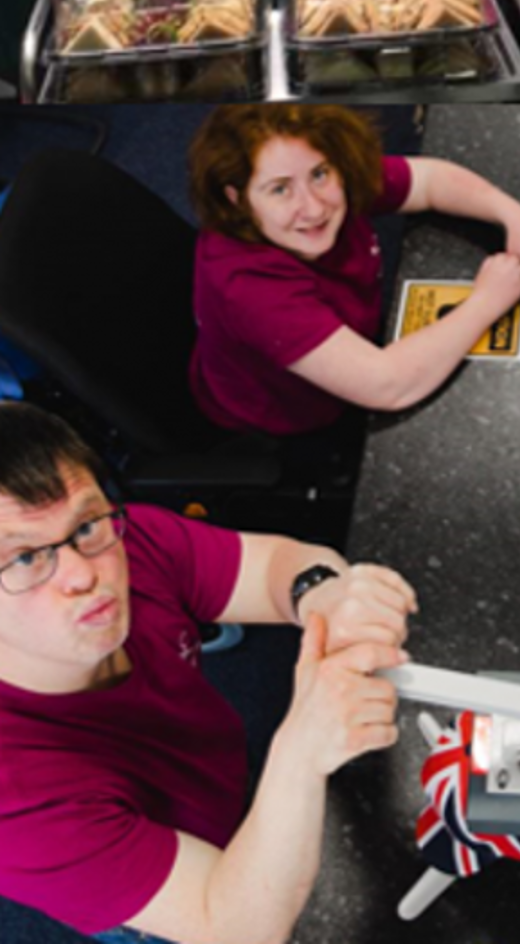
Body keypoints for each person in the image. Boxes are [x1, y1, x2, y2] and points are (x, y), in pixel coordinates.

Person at [0, 401, 415, 943]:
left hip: (212, 783)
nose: (84, 574)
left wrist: (323, 594)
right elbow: (235, 928)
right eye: (23, 559)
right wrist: (298, 753)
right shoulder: (17, 805)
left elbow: (273, 568)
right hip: (183, 905)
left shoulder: (123, 543)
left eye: (84, 523)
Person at [187, 103, 520, 436]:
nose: (313, 207)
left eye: (319, 174)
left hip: (350, 344)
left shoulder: (330, 182)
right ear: (237, 198)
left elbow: (430, 180)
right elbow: (386, 385)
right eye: (280, 189)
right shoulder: (248, 286)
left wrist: (511, 215)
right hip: (290, 419)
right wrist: (486, 300)